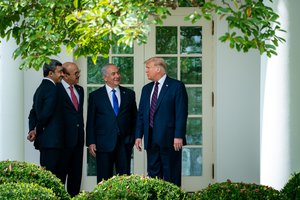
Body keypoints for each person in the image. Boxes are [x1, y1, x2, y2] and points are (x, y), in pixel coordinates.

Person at [135, 57, 188, 187]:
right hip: (151, 139)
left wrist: (178, 136)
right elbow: (141, 114)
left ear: (158, 69)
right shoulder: (146, 89)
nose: (146, 71)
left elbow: (181, 113)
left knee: (171, 175)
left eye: (148, 68)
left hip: (170, 140)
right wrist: (138, 135)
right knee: (153, 176)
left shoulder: (176, 86)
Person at [86, 63, 137, 183]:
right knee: (103, 179)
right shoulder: (95, 96)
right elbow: (91, 120)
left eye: (118, 73)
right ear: (105, 77)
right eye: (113, 74)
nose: (117, 76)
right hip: (103, 143)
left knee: (124, 180)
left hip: (124, 143)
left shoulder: (129, 94)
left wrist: (133, 137)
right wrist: (91, 142)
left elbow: (135, 118)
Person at [27, 59, 64, 179]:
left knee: (47, 175)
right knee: (52, 177)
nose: (62, 75)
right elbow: (46, 113)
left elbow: (33, 112)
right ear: (50, 73)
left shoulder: (40, 88)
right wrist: (37, 130)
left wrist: (32, 129)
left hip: (44, 141)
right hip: (52, 142)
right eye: (60, 72)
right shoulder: (53, 89)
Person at [57, 62, 84, 197]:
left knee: (76, 177)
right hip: (63, 141)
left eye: (78, 72)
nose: (79, 75)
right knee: (60, 176)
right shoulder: (56, 89)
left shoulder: (80, 90)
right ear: (65, 75)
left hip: (78, 141)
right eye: (76, 73)